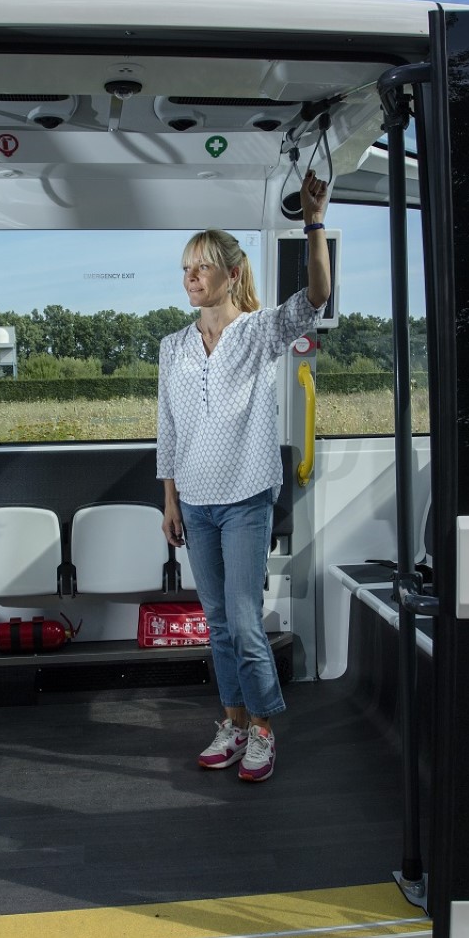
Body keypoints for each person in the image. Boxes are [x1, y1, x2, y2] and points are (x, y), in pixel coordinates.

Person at [156, 170, 330, 783]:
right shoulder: (172, 346)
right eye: (184, 269)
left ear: (231, 273)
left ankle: (262, 731)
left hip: (247, 498)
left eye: (201, 268)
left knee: (246, 622)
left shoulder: (260, 332)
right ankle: (231, 723)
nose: (191, 279)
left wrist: (313, 224)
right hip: (196, 502)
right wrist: (169, 501)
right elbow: (168, 428)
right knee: (219, 625)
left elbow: (316, 297)